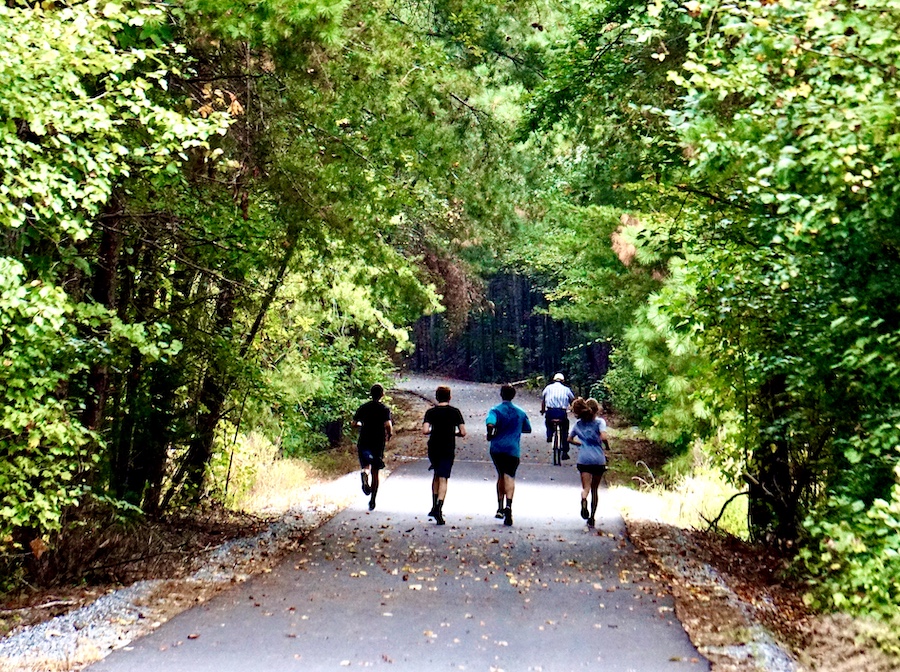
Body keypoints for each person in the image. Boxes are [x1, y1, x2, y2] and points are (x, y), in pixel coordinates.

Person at [486, 384, 532, 527]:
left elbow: (490, 423)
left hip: (497, 448)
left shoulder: (495, 410)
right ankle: (509, 505)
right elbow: (528, 428)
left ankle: (500, 507)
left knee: (501, 475)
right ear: (513, 395)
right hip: (513, 449)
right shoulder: (520, 412)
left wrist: (490, 433)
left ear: (501, 395)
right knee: (510, 476)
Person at [422, 385, 466, 526]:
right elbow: (463, 432)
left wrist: (434, 431)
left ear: (436, 397)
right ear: (450, 397)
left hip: (434, 446)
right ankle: (439, 507)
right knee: (443, 478)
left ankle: (434, 504)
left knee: (436, 474)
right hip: (447, 446)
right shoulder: (455, 412)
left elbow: (425, 430)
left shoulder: (431, 412)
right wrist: (453, 433)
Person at [567, 397, 609, 528]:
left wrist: (580, 444)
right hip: (598, 459)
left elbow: (569, 439)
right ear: (597, 410)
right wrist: (607, 446)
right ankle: (592, 517)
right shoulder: (599, 422)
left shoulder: (578, 424)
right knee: (595, 490)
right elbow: (603, 437)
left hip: (584, 459)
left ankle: (584, 498)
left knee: (586, 488)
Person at [353, 384, 393, 511]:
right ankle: (372, 500)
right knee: (375, 471)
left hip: (364, 440)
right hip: (377, 441)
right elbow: (388, 425)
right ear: (382, 394)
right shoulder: (384, 409)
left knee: (366, 466)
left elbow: (354, 423)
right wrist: (389, 434)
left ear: (371, 394)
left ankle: (364, 475)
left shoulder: (363, 407)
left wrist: (361, 424)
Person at [541, 373, 575, 458]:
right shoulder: (566, 389)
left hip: (550, 411)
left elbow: (543, 400)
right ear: (563, 380)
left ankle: (549, 434)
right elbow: (573, 400)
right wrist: (572, 409)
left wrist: (543, 410)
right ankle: (565, 452)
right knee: (565, 430)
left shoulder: (548, 388)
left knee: (548, 422)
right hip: (562, 412)